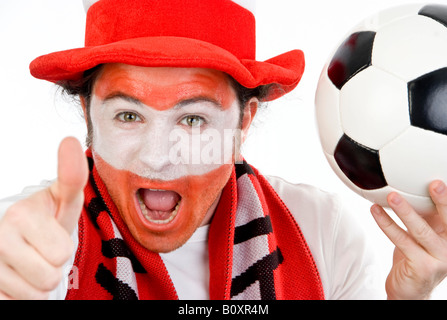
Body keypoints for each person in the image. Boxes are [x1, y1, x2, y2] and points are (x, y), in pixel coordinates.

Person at [0, 0, 446, 300]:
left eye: (193, 120)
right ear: (87, 112)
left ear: (244, 121)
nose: (157, 158)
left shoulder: (323, 235)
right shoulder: (35, 237)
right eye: (128, 116)